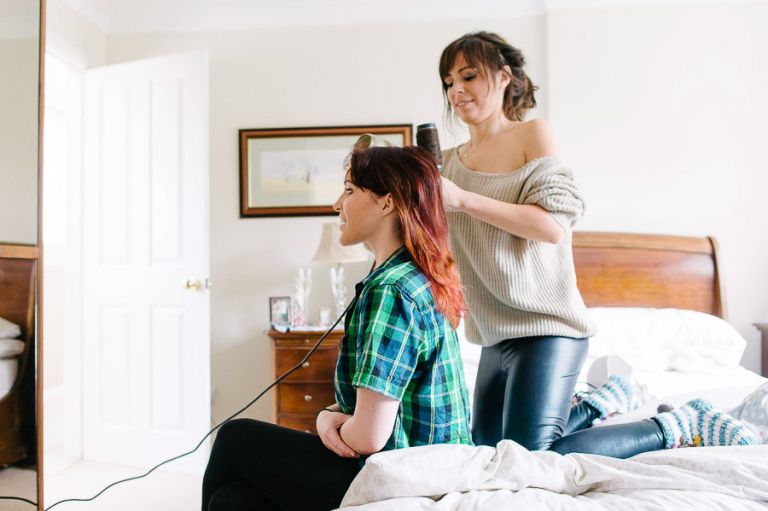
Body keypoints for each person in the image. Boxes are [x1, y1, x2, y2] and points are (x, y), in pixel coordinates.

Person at [436, 30, 758, 457]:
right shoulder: (451, 163)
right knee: (486, 452)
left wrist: (461, 199)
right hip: (493, 335)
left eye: (469, 76)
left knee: (532, 458)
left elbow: (552, 225)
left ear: (503, 77)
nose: (456, 90)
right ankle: (598, 404)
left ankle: (674, 424)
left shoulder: (533, 134)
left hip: (548, 330)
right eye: (448, 81)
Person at [201, 144, 472, 511]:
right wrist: (331, 416)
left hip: (404, 473)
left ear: (387, 202)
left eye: (349, 191)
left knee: (235, 437)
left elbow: (369, 436)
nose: (336, 204)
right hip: (433, 466)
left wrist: (326, 420)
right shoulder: (415, 276)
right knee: (231, 501)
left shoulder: (391, 289)